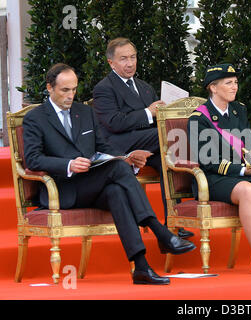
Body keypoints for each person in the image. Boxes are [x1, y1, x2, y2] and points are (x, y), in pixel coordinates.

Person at [23, 63, 196, 285]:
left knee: (117, 191)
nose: (70, 95)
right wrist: (68, 164)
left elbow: (104, 147)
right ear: (49, 87)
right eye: (64, 90)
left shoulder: (85, 112)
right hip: (62, 189)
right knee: (117, 170)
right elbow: (33, 159)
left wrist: (128, 156)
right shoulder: (35, 118)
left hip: (92, 183)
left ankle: (141, 267)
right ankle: (159, 231)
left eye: (74, 89)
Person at [187, 64, 251, 275]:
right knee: (248, 190)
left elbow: (248, 142)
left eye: (235, 82)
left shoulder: (238, 109)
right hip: (214, 177)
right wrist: (245, 171)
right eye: (228, 83)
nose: (234, 87)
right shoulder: (199, 118)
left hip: (242, 172)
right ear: (213, 88)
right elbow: (208, 161)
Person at [93, 37, 193, 239]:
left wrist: (168, 113)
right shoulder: (104, 88)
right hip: (119, 142)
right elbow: (114, 123)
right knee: (171, 136)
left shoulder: (145, 87)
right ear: (111, 62)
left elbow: (156, 121)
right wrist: (149, 112)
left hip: (150, 141)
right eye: (123, 59)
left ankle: (172, 221)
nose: (130, 63)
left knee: (169, 160)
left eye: (133, 57)